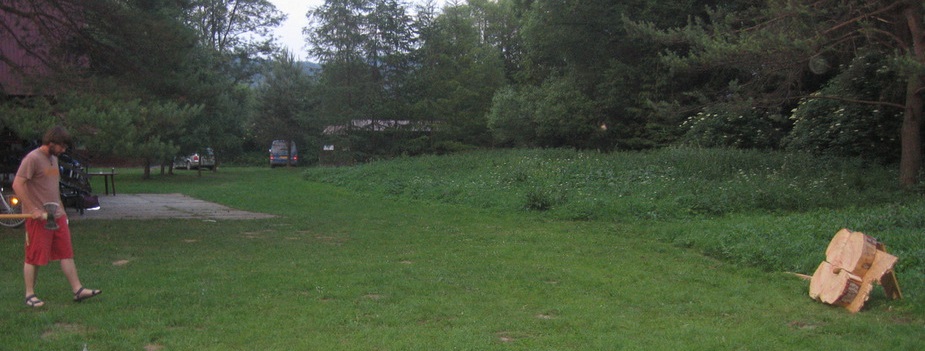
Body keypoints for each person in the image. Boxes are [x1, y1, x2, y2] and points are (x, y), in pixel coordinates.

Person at [13, 126, 101, 307]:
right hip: (39, 217)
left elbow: (53, 189)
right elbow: (17, 184)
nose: (63, 150)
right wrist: (33, 210)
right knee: (33, 256)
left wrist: (62, 211)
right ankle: (30, 295)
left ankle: (78, 290)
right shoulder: (32, 159)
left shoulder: (53, 159)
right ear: (51, 143)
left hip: (57, 216)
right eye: (61, 146)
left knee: (66, 253)